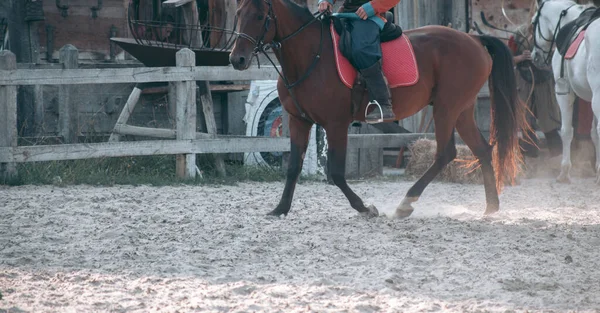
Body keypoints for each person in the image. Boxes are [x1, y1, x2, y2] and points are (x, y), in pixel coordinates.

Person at [318, 0, 401, 123]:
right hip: (346, 14)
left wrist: (374, 6)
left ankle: (384, 103)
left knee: (361, 50)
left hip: (371, 15)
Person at [509, 23, 562, 158]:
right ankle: (531, 161)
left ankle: (557, 160)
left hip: (544, 83)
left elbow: (559, 55)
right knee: (525, 122)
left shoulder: (550, 33)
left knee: (549, 121)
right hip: (523, 81)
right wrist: (521, 58)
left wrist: (547, 55)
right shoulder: (518, 35)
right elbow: (508, 59)